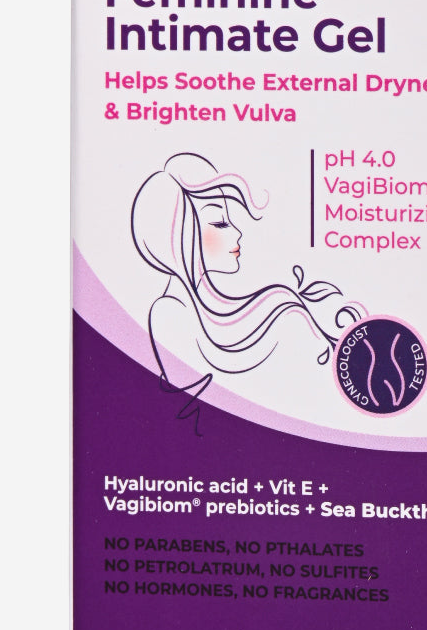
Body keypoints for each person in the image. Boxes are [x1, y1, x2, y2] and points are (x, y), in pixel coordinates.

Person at [131, 152, 363, 427]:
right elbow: (195, 418)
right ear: (177, 234)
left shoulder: (243, 309)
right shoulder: (169, 313)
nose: (236, 232)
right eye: (219, 223)